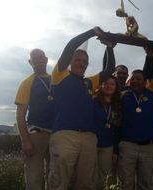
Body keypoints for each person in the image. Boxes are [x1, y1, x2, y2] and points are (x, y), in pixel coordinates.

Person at [48, 27, 114, 190]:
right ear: (70, 61)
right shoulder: (60, 74)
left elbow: (109, 70)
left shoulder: (89, 82)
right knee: (59, 181)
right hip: (65, 135)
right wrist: (92, 33)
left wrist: (110, 47)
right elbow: (71, 46)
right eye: (78, 60)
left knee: (86, 183)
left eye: (85, 62)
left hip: (89, 138)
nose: (81, 64)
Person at [15, 48, 55, 190]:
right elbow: (20, 115)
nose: (38, 60)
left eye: (41, 57)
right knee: (34, 178)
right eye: (35, 58)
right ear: (30, 62)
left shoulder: (55, 80)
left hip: (56, 135)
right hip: (36, 135)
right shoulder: (27, 83)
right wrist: (25, 141)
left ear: (46, 59)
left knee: (54, 177)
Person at [117, 69, 153, 190]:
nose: (135, 81)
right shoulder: (123, 95)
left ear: (145, 81)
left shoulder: (152, 95)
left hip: (148, 147)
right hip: (127, 146)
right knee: (125, 184)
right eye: (133, 78)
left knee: (145, 185)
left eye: (138, 79)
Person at [93, 76, 121, 190]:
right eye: (106, 83)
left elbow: (118, 129)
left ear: (115, 87)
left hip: (108, 146)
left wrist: (115, 150)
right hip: (92, 144)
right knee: (88, 174)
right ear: (101, 85)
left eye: (112, 84)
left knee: (102, 176)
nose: (109, 86)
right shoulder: (93, 101)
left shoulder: (117, 105)